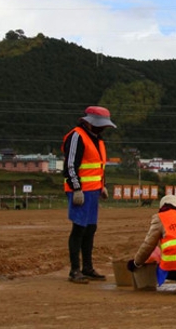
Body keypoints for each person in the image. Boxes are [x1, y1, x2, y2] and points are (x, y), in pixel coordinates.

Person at [62, 106, 116, 284]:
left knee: (90, 229)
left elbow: (99, 166)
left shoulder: (97, 139)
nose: (103, 129)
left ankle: (87, 267)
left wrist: (102, 186)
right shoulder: (76, 136)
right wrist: (76, 188)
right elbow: (70, 166)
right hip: (80, 192)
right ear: (89, 122)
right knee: (79, 228)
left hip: (94, 192)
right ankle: (74, 270)